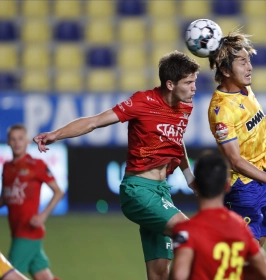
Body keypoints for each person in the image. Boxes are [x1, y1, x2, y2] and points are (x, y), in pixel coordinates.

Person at [33, 51, 200, 280]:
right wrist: (56, 134)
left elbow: (175, 140)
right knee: (192, 233)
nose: (194, 88)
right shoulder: (143, 101)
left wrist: (189, 176)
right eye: (189, 82)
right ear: (170, 84)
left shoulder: (185, 106)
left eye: (195, 82)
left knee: (159, 274)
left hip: (161, 193)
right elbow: (94, 122)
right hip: (138, 191)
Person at [207, 31, 266, 246]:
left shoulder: (245, 89)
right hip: (243, 188)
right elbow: (235, 161)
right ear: (225, 69)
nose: (249, 67)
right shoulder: (221, 110)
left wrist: (261, 120)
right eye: (242, 62)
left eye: (249, 61)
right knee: (241, 258)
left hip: (262, 178)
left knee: (256, 253)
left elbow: (248, 114)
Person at [170, 153, 266, 280]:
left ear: (195, 184)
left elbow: (179, 275)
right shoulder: (240, 226)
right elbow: (265, 272)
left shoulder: (186, 230)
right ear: (227, 186)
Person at [0, 124, 64, 280]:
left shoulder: (36, 165)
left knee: (8, 276)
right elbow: (5, 198)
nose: (17, 142)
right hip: (17, 231)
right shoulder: (7, 167)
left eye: (20, 139)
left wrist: (43, 216)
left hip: (27, 231)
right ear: (8, 142)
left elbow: (58, 192)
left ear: (28, 141)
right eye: (13, 139)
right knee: (44, 277)